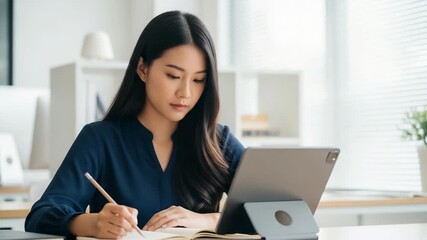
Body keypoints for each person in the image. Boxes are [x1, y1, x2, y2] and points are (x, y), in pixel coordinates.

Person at [25, 10, 244, 239]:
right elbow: (41, 215)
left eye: (198, 80)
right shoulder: (99, 139)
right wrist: (95, 224)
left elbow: (272, 210)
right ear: (142, 69)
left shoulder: (219, 141)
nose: (185, 93)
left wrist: (206, 219)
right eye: (173, 76)